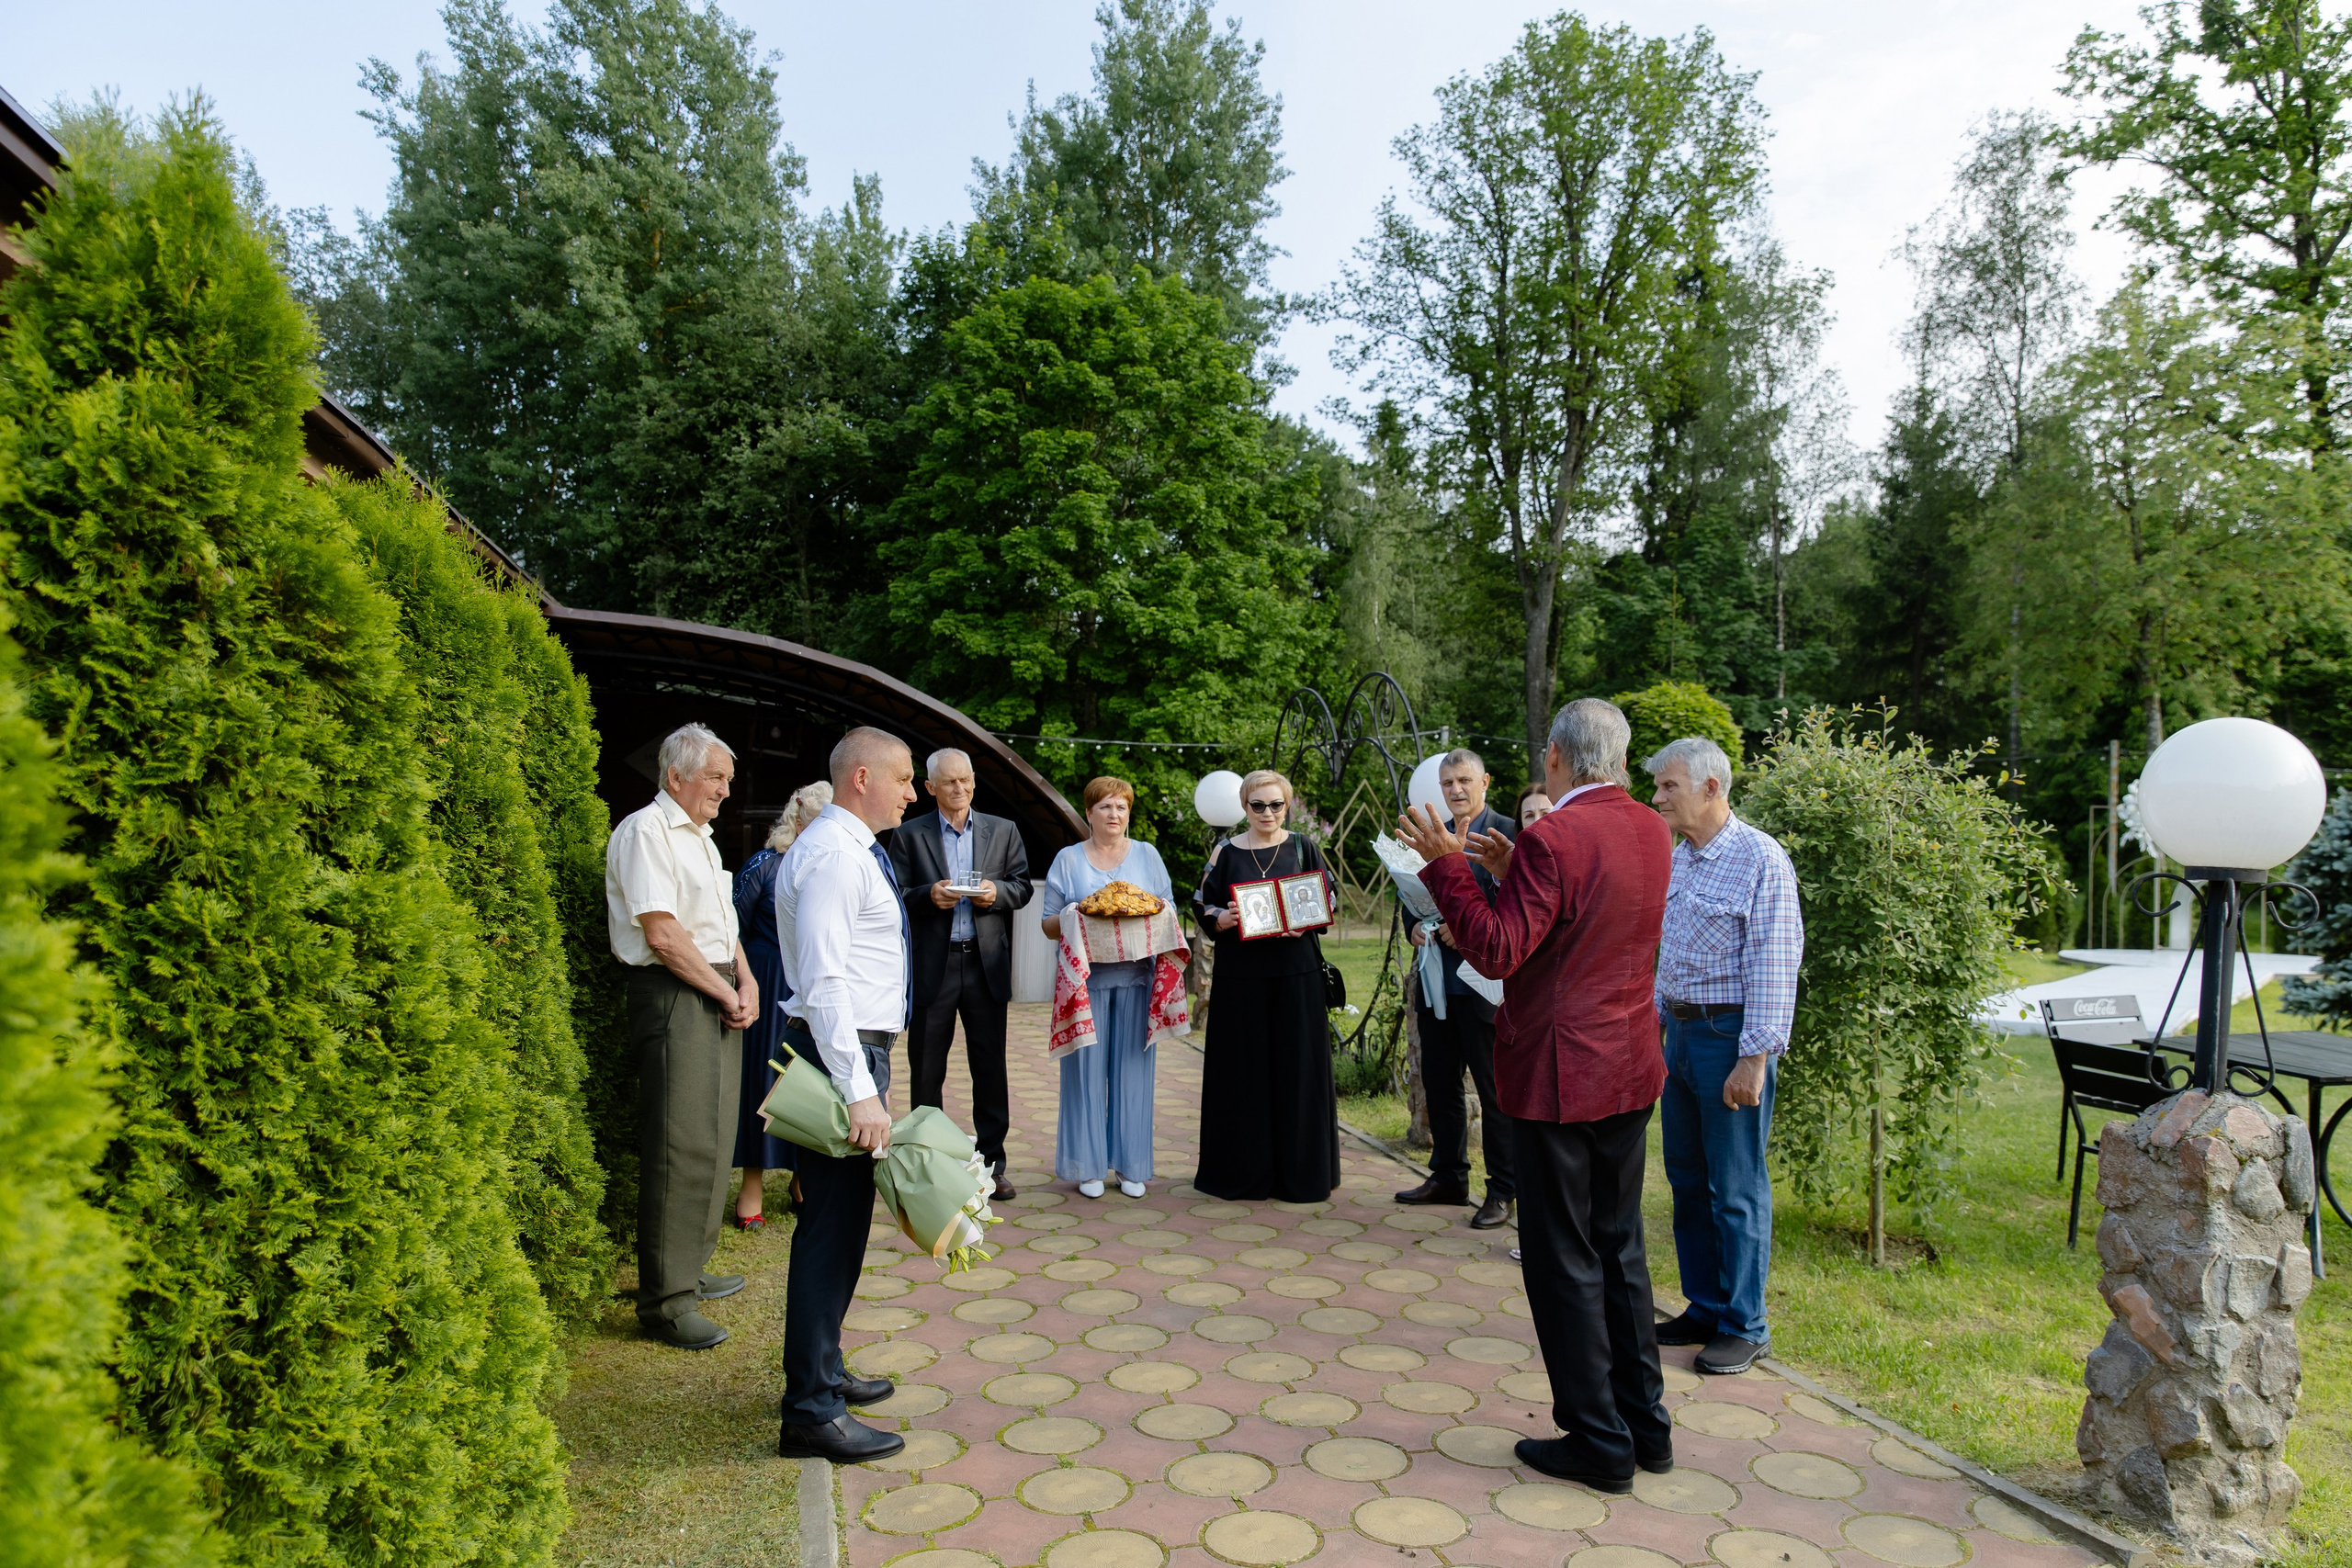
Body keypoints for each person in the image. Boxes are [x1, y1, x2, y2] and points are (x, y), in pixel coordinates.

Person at [1397, 698, 1674, 1494]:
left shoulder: (1555, 833)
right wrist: (1502, 869)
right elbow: (1582, 917)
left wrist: (1447, 864)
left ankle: (1596, 1440)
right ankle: (1643, 1424)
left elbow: (1496, 945)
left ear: (1556, 756)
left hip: (1562, 1070)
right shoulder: (1649, 828)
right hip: (1628, 1061)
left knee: (1564, 1258)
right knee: (1620, 1245)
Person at [772, 727, 918, 1463]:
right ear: (863, 777)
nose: (912, 791)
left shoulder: (847, 848)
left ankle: (822, 1372)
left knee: (843, 1223)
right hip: (842, 1053)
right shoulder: (833, 854)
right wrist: (860, 1091)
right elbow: (826, 980)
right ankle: (810, 1410)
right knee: (830, 1230)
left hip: (852, 1050)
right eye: (904, 777)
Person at [1645, 736, 1803, 1376]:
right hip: (1680, 1039)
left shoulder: (1760, 859)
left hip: (1729, 1040)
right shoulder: (1679, 858)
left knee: (1735, 1186)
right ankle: (1705, 1305)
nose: (1656, 797)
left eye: (1668, 787)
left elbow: (1774, 960)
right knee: (1685, 1178)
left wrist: (1755, 1057)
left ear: (1712, 788)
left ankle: (1746, 1322)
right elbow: (1669, 952)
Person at [605, 723, 759, 1350]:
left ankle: (688, 1269)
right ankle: (666, 1301)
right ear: (676, 776)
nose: (725, 789)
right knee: (679, 1144)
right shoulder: (647, 832)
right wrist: (723, 991)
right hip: (676, 991)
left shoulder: (701, 838)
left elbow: (721, 925)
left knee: (714, 1135)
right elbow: (663, 933)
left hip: (715, 984)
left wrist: (744, 979)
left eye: (726, 777)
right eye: (715, 777)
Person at [890, 749, 1034, 1202]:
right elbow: (893, 893)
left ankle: (993, 1165)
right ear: (930, 788)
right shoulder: (909, 835)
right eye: (950, 782)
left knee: (990, 1069)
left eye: (967, 780)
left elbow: (1023, 886)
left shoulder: (1002, 830)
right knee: (926, 1069)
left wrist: (998, 893)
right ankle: (925, 1162)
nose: (961, 789)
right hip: (935, 962)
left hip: (985, 962)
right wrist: (927, 895)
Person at [1192, 769, 1340, 1202]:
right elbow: (1201, 900)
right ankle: (1243, 1173)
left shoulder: (1303, 846)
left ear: (1287, 805)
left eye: (1276, 804)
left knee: (1299, 1072)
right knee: (1243, 1072)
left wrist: (1308, 919)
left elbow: (1328, 897)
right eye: (1258, 805)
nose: (1268, 812)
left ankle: (1301, 1174)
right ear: (1244, 807)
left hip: (1298, 975)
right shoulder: (1225, 851)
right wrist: (1219, 918)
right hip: (1242, 979)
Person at [1396, 749, 1519, 1228]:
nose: (1456, 791)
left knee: (1494, 1092)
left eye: (1464, 781)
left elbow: (1521, 903)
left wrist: (1466, 924)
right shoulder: (1436, 835)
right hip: (1436, 980)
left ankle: (1503, 1190)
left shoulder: (1509, 832)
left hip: (1486, 986)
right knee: (1440, 1083)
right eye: (1448, 784)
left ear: (1484, 781)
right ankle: (1448, 1175)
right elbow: (1412, 893)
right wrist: (1415, 927)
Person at [1041, 777, 1175, 1198]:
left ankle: (1132, 1166)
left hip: (1137, 980)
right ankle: (1088, 1167)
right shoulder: (1067, 859)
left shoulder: (1148, 856)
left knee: (1133, 1074)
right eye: (1105, 807)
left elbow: (1166, 910)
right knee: (1084, 1075)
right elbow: (1047, 924)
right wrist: (1075, 914)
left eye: (1121, 807)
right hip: (1085, 985)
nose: (1114, 815)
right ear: (1088, 813)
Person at [728, 782, 830, 1231]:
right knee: (765, 1080)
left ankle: (801, 1178)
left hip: (816, 986)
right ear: (799, 817)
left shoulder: (834, 866)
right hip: (768, 982)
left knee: (810, 1078)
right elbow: (730, 930)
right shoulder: (764, 865)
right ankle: (751, 1184)